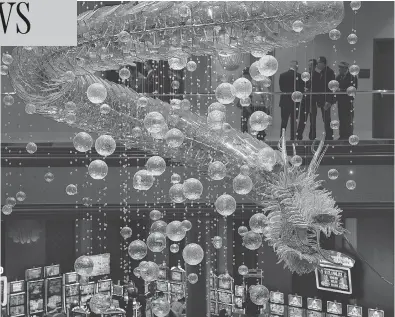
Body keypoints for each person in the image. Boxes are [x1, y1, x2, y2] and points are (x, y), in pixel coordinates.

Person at [236, 67, 270, 141]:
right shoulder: (244, 83)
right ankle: (245, 137)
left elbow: (265, 94)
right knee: (244, 122)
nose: (245, 77)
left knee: (258, 122)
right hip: (247, 104)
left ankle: (260, 138)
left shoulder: (258, 81)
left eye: (246, 76)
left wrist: (266, 106)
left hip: (258, 105)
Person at [311, 56, 335, 140]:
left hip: (326, 99)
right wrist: (316, 73)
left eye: (319, 63)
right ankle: (313, 136)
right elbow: (314, 83)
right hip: (318, 98)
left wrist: (329, 101)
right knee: (315, 119)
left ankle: (329, 137)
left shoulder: (330, 72)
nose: (317, 64)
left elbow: (331, 87)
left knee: (326, 119)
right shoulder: (318, 72)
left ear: (323, 63)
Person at [279, 60, 303, 140]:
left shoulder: (282, 75)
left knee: (284, 121)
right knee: (294, 122)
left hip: (285, 101)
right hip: (295, 102)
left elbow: (281, 88)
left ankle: (282, 138)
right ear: (296, 66)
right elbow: (300, 89)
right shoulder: (299, 76)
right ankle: (293, 138)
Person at [296, 58, 318, 140]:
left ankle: (312, 138)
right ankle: (298, 137)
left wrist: (311, 90)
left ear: (315, 66)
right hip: (305, 101)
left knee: (313, 122)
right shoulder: (305, 75)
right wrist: (303, 90)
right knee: (302, 120)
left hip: (313, 101)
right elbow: (300, 86)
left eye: (311, 65)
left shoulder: (317, 75)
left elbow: (318, 87)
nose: (309, 66)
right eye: (309, 65)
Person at [335, 61, 358, 140]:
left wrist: (341, 90)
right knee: (341, 119)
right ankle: (342, 136)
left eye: (341, 67)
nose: (339, 69)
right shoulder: (338, 77)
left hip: (348, 102)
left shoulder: (352, 77)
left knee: (348, 119)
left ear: (345, 68)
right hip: (340, 101)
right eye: (339, 67)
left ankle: (349, 136)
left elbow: (353, 89)